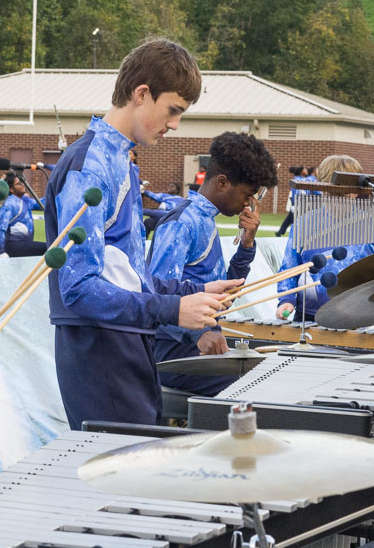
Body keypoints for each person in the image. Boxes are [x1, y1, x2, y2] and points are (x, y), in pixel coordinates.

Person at [43, 38, 238, 429]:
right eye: (172, 110)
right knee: (120, 482)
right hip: (100, 354)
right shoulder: (90, 167)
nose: (174, 125)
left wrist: (187, 294)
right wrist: (172, 311)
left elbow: (127, 275)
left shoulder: (121, 159)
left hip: (126, 343)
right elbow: (79, 288)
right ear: (142, 93)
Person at [148, 132, 277, 396]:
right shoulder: (182, 223)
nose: (248, 203)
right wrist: (198, 336)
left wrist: (247, 245)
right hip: (170, 351)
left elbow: (225, 295)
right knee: (258, 389)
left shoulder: (206, 219)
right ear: (222, 182)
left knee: (273, 373)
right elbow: (155, 294)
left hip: (196, 341)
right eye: (246, 194)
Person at [276, 155, 374, 321]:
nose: (336, 202)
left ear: (355, 193)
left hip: (359, 318)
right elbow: (289, 269)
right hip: (308, 317)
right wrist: (287, 299)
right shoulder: (303, 224)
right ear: (321, 190)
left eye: (343, 196)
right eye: (330, 195)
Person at [0, 171, 45, 257]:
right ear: (11, 189)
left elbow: (43, 203)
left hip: (25, 244)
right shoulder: (9, 204)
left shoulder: (26, 201)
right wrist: (1, 251)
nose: (23, 185)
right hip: (13, 245)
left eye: (22, 182)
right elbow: (1, 229)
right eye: (19, 184)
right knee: (49, 249)